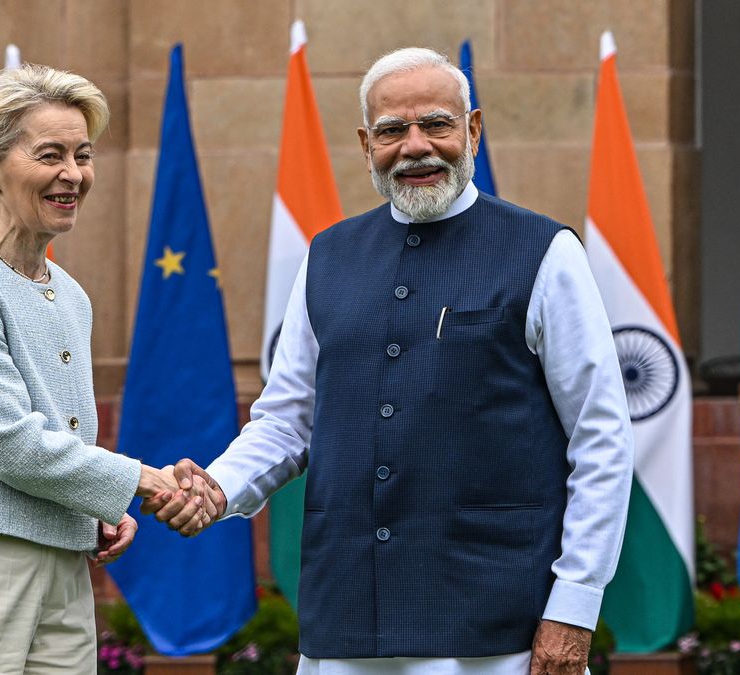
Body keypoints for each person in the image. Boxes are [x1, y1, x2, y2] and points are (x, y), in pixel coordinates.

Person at [147, 47, 635, 675]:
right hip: (348, 618)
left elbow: (601, 438)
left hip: (498, 624)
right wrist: (218, 489)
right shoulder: (327, 256)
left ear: (473, 130)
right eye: (391, 131)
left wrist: (574, 606)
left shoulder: (545, 251)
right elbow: (287, 420)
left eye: (436, 123)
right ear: (365, 143)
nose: (415, 146)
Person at [0, 64, 185, 673]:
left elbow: (56, 440)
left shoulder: (71, 293)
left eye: (82, 154)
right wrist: (142, 482)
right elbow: (11, 444)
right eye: (50, 154)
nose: (73, 174)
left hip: (62, 569)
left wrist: (99, 508)